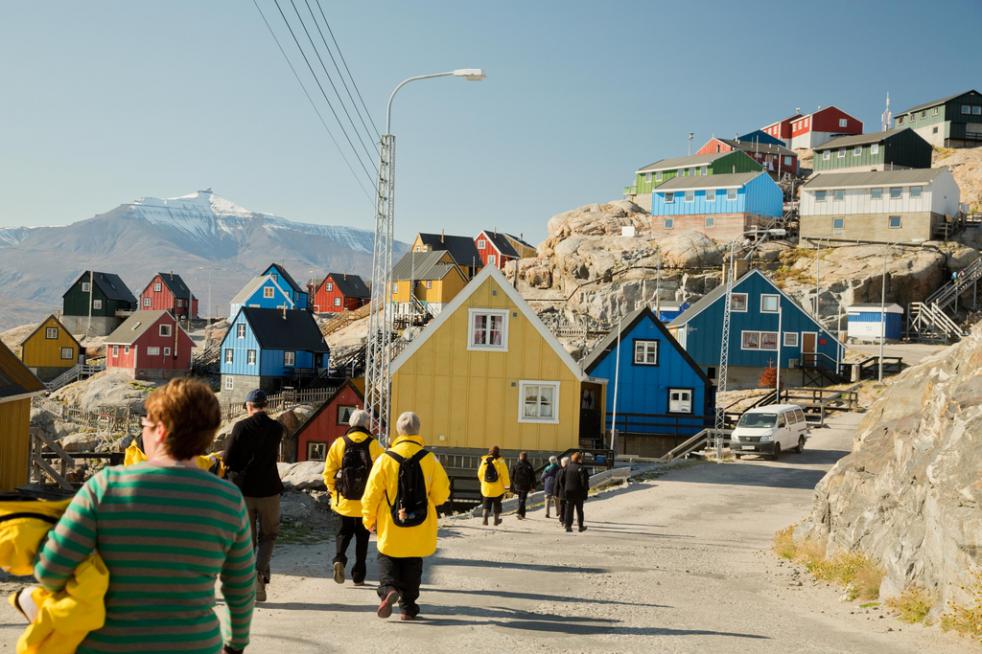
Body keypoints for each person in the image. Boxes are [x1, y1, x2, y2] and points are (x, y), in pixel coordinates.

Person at [34, 378, 255, 653]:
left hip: (107, 645)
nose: (144, 433)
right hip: (194, 645)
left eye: (146, 427)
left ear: (160, 431)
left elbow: (50, 571)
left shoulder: (105, 487)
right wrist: (235, 645)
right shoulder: (227, 500)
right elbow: (242, 587)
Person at [362, 412, 450, 621]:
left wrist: (369, 519)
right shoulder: (429, 459)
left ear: (398, 431)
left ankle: (388, 589)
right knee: (413, 562)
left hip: (390, 523)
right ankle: (408, 608)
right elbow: (442, 495)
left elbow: (371, 494)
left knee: (387, 556)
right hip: (419, 523)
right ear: (418, 430)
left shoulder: (385, 458)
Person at [224, 389, 285, 602]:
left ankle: (253, 577)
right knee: (269, 535)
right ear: (266, 405)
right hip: (269, 489)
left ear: (249, 406)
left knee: (247, 540)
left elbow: (228, 457)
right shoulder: (277, 428)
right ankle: (260, 575)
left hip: (243, 491)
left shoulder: (241, 427)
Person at [323, 409, 383, 586]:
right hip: (366, 502)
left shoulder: (339, 443)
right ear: (367, 425)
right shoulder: (374, 445)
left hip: (345, 501)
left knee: (343, 533)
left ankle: (339, 559)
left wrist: (335, 493)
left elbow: (328, 473)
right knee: (363, 538)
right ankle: (358, 575)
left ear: (350, 424)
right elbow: (381, 474)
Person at [477, 446, 510, 526]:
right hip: (498, 489)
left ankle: (485, 519)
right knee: (497, 504)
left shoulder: (484, 461)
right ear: (498, 452)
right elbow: (505, 476)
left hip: (486, 488)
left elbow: (480, 474)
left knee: (486, 504)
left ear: (489, 452)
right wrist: (507, 488)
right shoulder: (501, 462)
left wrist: (483, 483)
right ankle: (496, 520)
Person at [562, 451, 591, 533]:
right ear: (579, 459)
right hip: (579, 492)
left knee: (569, 509)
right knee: (579, 510)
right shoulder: (582, 468)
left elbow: (563, 480)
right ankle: (580, 526)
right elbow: (584, 482)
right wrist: (586, 490)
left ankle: (568, 526)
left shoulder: (567, 468)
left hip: (568, 491)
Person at [509, 452, 535, 519]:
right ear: (526, 457)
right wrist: (533, 487)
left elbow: (512, 476)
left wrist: (512, 487)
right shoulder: (529, 465)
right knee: (522, 499)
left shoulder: (516, 464)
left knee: (520, 499)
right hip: (526, 485)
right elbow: (533, 477)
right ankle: (521, 513)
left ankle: (520, 513)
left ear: (520, 457)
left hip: (517, 485)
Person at [555, 456, 570, 526]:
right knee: (568, 507)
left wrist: (555, 493)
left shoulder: (559, 472)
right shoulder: (572, 471)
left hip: (561, 492)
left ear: (562, 464)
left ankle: (562, 519)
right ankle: (566, 520)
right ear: (569, 463)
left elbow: (556, 484)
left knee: (562, 506)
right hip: (570, 492)